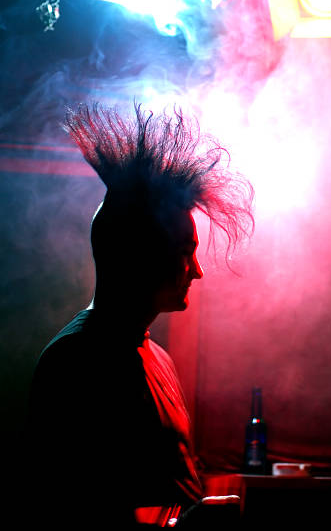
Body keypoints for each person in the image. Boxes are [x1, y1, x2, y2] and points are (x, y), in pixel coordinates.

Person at [22, 103, 254, 529]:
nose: (198, 271)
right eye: (186, 254)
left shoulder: (154, 356)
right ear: (140, 257)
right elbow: (75, 513)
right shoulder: (76, 364)